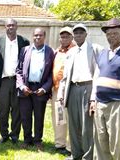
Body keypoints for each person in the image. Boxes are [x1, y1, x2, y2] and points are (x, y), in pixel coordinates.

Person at [57, 23, 103, 160]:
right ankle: (75, 154)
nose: (78, 35)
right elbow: (65, 76)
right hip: (72, 90)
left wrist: (93, 96)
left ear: (86, 34)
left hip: (87, 88)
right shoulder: (70, 52)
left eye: (81, 32)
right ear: (73, 35)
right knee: (73, 124)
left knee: (86, 126)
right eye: (75, 33)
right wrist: (61, 92)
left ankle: (88, 156)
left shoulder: (95, 49)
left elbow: (98, 74)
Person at [90, 18, 120, 160]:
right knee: (100, 140)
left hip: (117, 104)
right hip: (99, 103)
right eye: (108, 33)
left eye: (115, 33)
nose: (111, 36)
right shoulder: (102, 53)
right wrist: (92, 99)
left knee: (116, 142)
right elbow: (96, 78)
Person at [16, 28, 54, 151]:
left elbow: (51, 74)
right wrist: (22, 86)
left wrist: (45, 88)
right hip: (26, 88)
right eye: (35, 35)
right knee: (25, 116)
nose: (38, 37)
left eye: (40, 35)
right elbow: (19, 71)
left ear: (44, 36)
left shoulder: (50, 52)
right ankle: (27, 140)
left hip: (40, 89)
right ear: (32, 36)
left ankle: (38, 140)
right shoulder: (25, 50)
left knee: (39, 116)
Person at [0, 18, 29, 144]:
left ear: (17, 26)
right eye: (8, 25)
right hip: (3, 80)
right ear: (5, 27)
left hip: (18, 81)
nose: (10, 27)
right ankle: (4, 134)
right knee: (3, 110)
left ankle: (14, 135)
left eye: (13, 25)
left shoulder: (24, 41)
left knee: (17, 110)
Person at [51, 26, 75, 155]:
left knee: (71, 118)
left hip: (71, 90)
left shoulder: (76, 51)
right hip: (56, 89)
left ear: (72, 38)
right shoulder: (57, 52)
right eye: (62, 36)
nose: (64, 39)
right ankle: (60, 144)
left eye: (67, 36)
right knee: (59, 117)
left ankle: (71, 147)